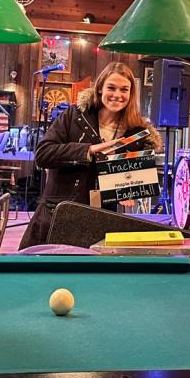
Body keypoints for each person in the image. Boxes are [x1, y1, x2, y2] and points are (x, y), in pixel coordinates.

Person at [19, 62, 162, 248]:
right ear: (100, 88)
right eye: (111, 87)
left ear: (131, 94)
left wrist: (128, 189)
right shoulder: (74, 115)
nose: (117, 95)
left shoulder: (136, 133)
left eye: (124, 90)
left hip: (101, 223)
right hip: (57, 215)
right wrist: (89, 150)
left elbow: (130, 182)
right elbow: (43, 154)